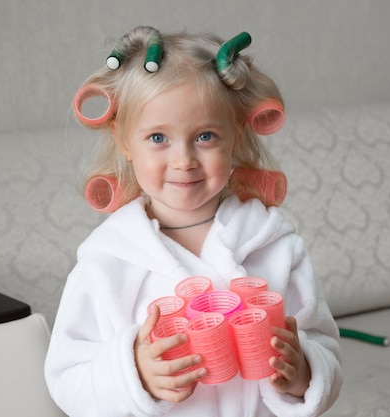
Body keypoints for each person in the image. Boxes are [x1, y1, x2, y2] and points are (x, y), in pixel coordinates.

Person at [44, 25, 342, 417]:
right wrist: (134, 375)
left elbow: (324, 346)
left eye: (204, 136)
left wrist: (305, 371)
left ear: (236, 136)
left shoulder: (275, 244)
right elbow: (67, 379)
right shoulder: (107, 262)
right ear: (123, 141)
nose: (183, 160)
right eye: (157, 138)